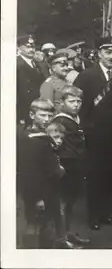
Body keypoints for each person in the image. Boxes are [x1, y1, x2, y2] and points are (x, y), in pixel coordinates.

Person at [73, 36, 112, 230]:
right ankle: (94, 216)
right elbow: (76, 103)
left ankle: (108, 214)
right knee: (95, 176)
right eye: (107, 52)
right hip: (93, 135)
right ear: (98, 54)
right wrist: (82, 127)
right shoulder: (87, 76)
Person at [17, 99, 78, 249]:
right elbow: (31, 172)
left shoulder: (32, 135)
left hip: (48, 190)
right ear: (32, 115)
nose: (46, 119)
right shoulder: (35, 141)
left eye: (49, 116)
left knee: (44, 225)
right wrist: (38, 198)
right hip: (40, 192)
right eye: (42, 115)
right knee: (36, 227)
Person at [51, 85, 91, 246]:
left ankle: (68, 233)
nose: (76, 104)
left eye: (78, 101)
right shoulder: (60, 121)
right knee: (62, 203)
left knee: (70, 202)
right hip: (66, 167)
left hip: (76, 166)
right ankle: (61, 238)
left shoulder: (75, 119)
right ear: (62, 102)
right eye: (71, 101)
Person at [17, 35, 45, 127]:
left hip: (36, 107)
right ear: (19, 48)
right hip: (24, 108)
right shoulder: (17, 64)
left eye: (33, 47)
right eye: (28, 47)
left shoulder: (37, 64)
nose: (31, 49)